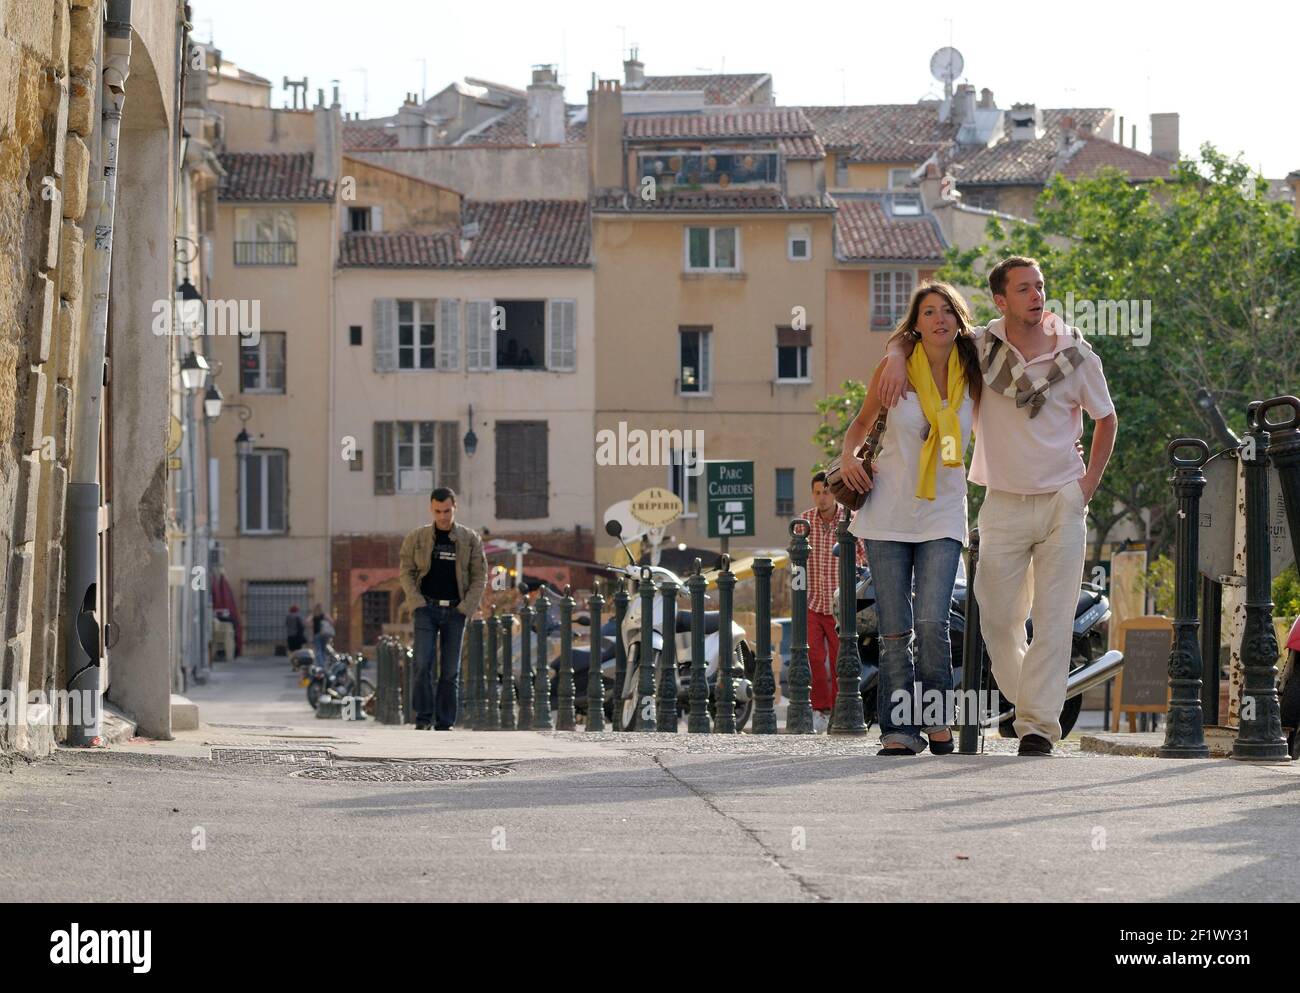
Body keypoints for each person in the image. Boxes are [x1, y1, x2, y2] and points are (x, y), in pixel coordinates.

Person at [877, 257, 1117, 756]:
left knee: (1053, 620)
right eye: (1024, 289)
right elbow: (925, 332)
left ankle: (1037, 728)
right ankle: (1029, 700)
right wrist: (897, 354)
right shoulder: (981, 349)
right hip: (1002, 501)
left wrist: (1086, 486)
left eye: (1041, 287)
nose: (1036, 295)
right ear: (1001, 300)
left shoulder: (1075, 354)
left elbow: (1106, 419)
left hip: (1062, 503)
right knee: (999, 618)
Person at [840, 282, 978, 755]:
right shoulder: (892, 368)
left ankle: (938, 719)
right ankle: (901, 730)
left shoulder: (975, 370)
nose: (939, 319)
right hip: (888, 513)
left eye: (947, 311)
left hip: (942, 511)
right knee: (895, 628)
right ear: (916, 324)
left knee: (933, 621)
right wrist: (849, 457)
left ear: (959, 320)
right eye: (928, 312)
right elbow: (860, 426)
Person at [399, 487, 487, 731]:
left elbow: (480, 576)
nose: (442, 516)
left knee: (450, 670)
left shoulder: (470, 539)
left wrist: (466, 607)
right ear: (431, 509)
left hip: (455, 611)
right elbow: (406, 571)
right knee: (422, 664)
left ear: (454, 507)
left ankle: (445, 722)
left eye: (446, 511)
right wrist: (416, 602)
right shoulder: (416, 538)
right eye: (437, 511)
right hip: (425, 608)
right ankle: (423, 717)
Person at [799, 473, 865, 733]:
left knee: (842, 660)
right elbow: (796, 562)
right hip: (813, 601)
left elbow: (863, 556)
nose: (821, 497)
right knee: (813, 657)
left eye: (825, 492)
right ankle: (820, 710)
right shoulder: (803, 522)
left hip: (840, 605)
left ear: (833, 494)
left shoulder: (849, 519)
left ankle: (841, 709)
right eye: (816, 492)